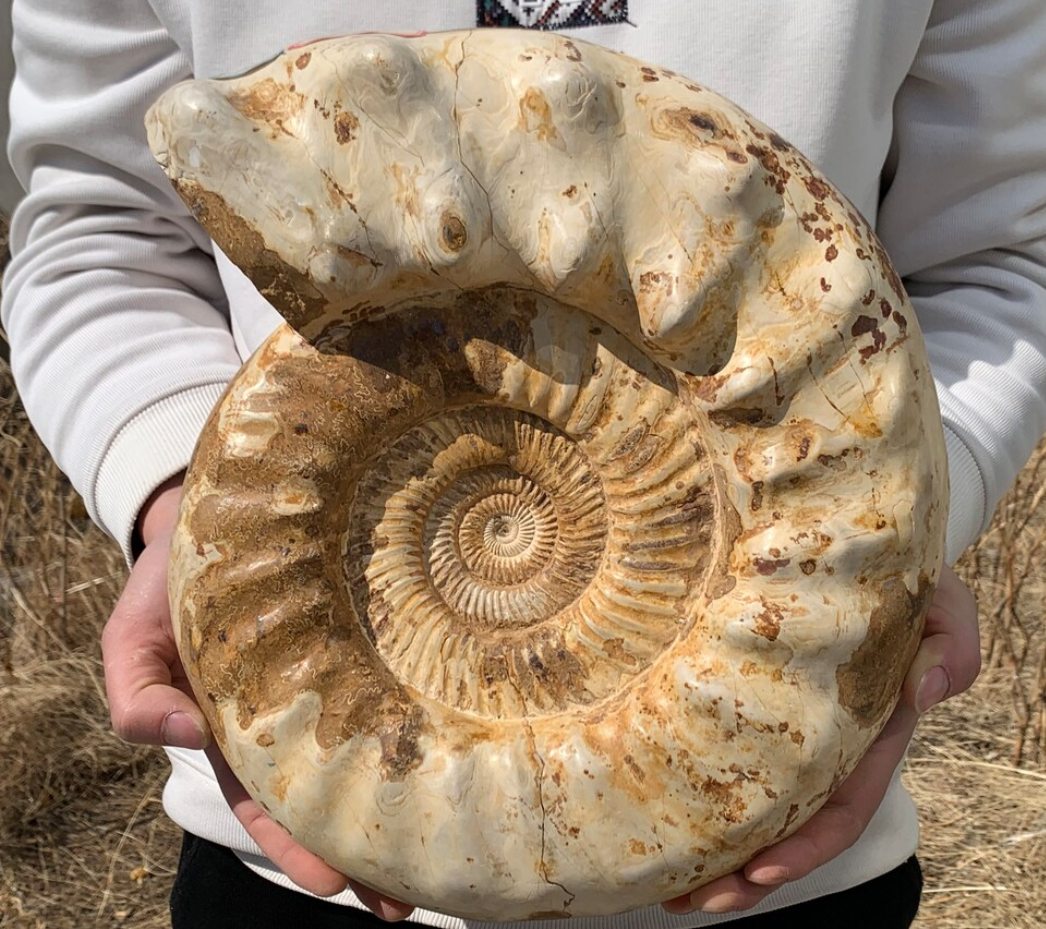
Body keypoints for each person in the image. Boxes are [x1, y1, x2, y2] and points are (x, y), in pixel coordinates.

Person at [3, 0, 1041, 925]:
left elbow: (1002, 250)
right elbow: (101, 228)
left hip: (782, 840)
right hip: (295, 814)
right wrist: (175, 495)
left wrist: (875, 541)